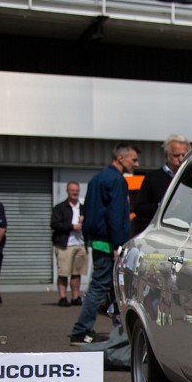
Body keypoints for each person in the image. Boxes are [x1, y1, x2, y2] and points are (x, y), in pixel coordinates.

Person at [70, 144, 138, 345]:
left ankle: (111, 330)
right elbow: (115, 215)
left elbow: (89, 211)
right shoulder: (116, 180)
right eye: (133, 159)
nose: (136, 164)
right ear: (120, 158)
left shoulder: (96, 179)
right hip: (108, 242)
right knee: (100, 286)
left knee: (104, 287)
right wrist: (118, 245)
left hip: (98, 240)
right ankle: (81, 331)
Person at [132, 133, 188, 234]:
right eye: (176, 155)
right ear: (166, 156)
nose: (181, 159)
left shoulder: (191, 178)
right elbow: (139, 209)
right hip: (160, 234)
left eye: (184, 155)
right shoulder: (152, 178)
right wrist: (162, 206)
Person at [51, 181, 87, 307]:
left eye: (77, 190)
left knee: (77, 273)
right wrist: (72, 226)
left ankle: (75, 297)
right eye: (72, 190)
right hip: (65, 245)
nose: (75, 193)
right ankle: (62, 297)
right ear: (67, 191)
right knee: (63, 273)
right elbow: (54, 224)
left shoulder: (82, 208)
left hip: (80, 244)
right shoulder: (60, 207)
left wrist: (85, 221)